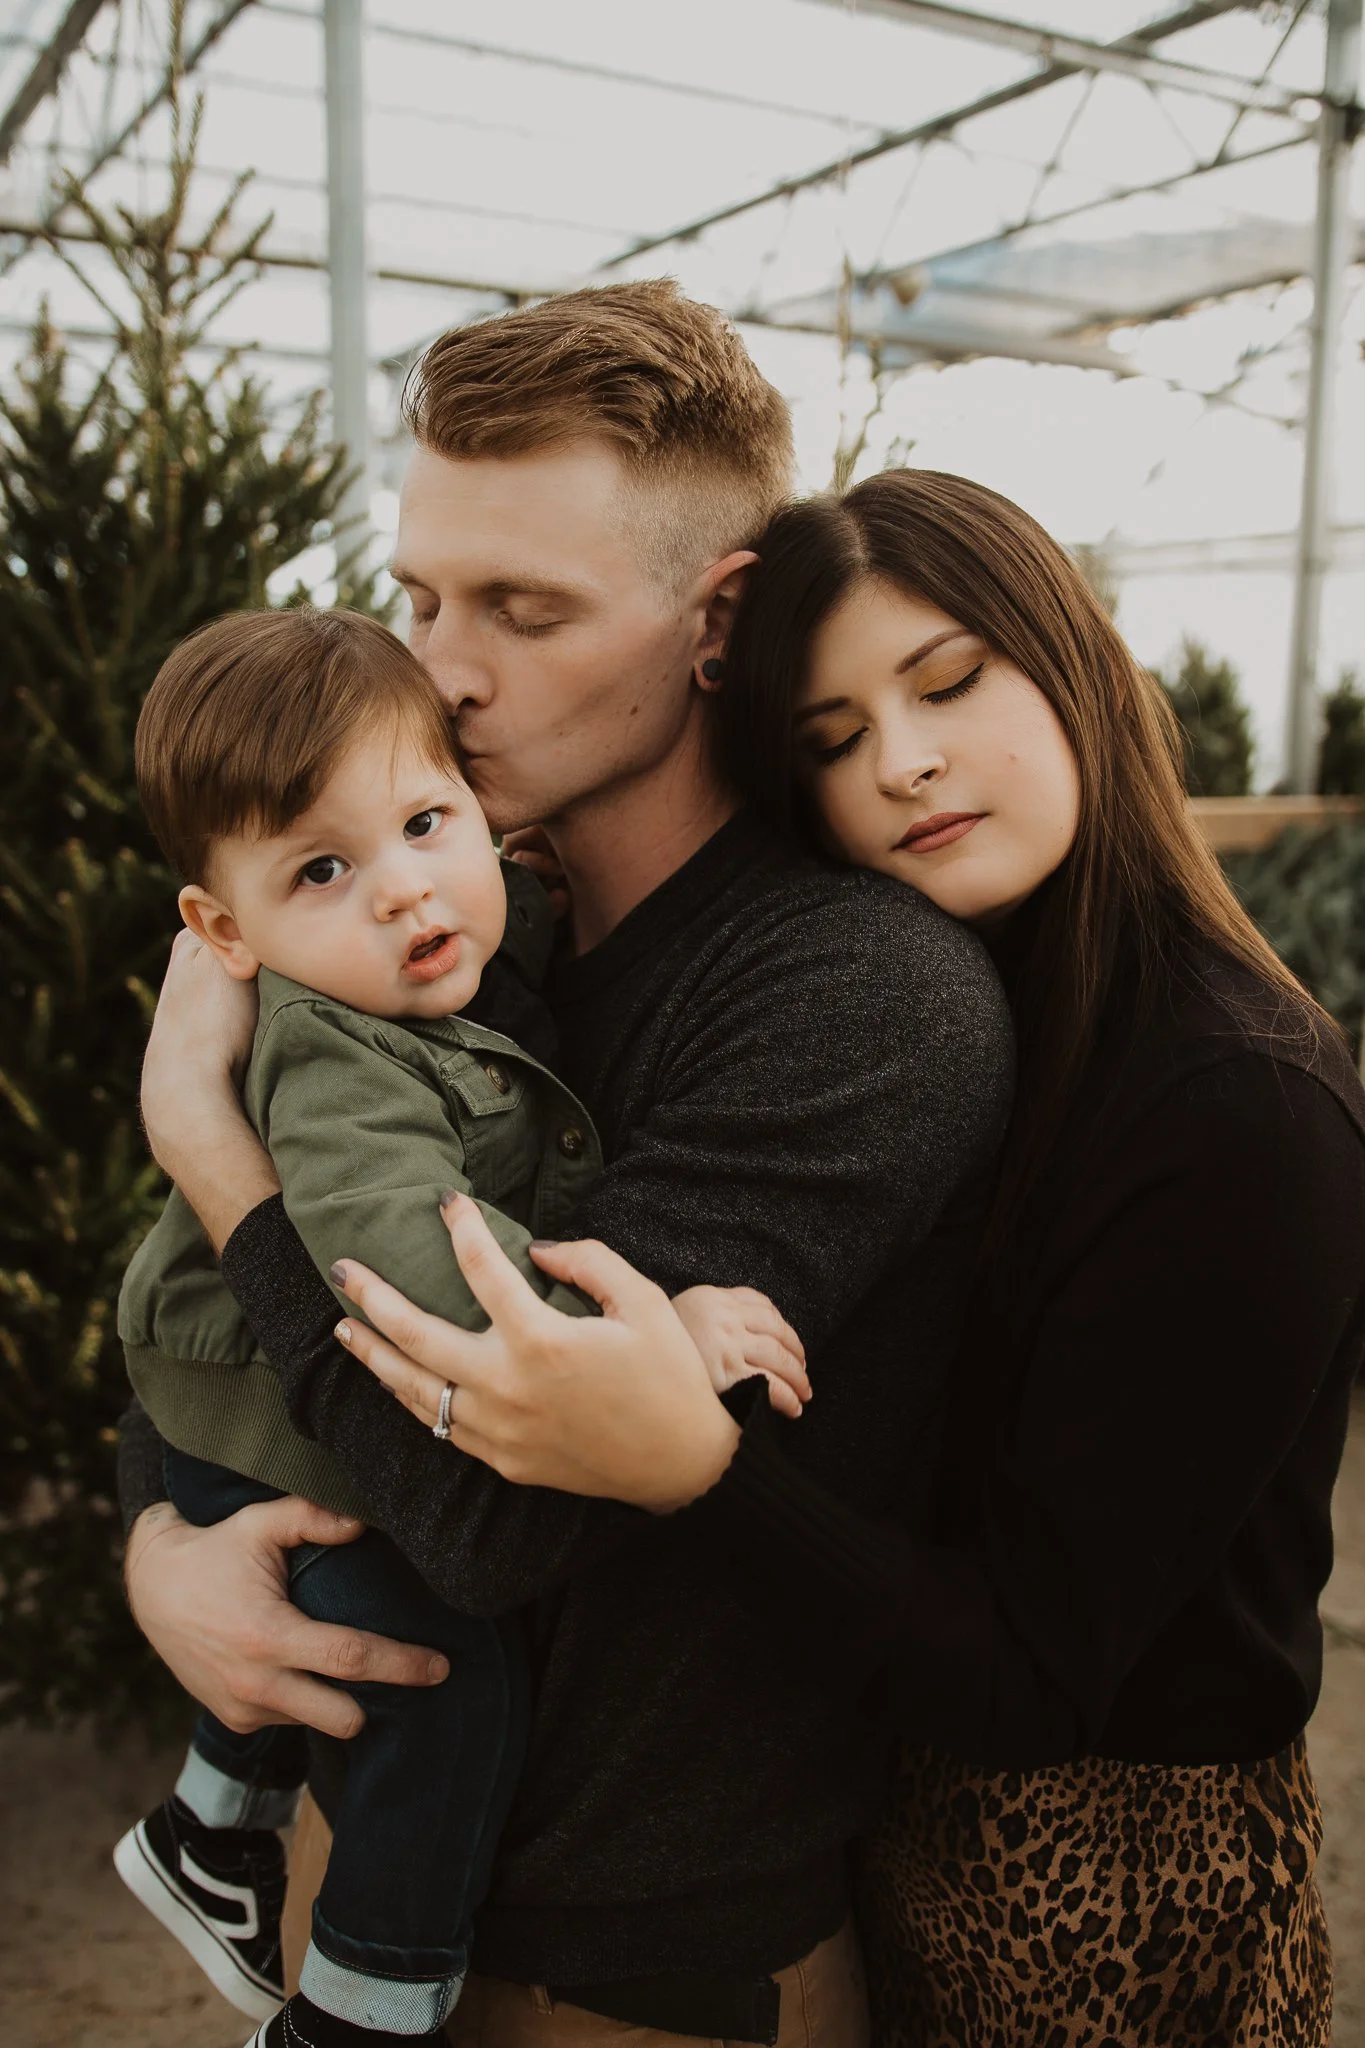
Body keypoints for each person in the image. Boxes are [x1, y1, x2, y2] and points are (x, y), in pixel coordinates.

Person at [342, 471, 1365, 2048]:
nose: (901, 763)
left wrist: (697, 1467)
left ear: (1077, 661)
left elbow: (1033, 1676)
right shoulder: (1011, 991)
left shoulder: (1238, 1105)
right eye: (831, 738)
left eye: (950, 683)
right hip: (899, 1843)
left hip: (1111, 1894)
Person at [118, 287, 1015, 2046]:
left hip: (642, 1978)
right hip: (375, 1873)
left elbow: (488, 1510)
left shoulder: (857, 996)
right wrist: (164, 1541)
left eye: (524, 611)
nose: (445, 670)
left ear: (718, 621)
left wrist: (217, 1157)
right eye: (422, 598)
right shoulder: (448, 933)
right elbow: (209, 1325)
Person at [115, 605, 805, 2048]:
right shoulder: (330, 1054)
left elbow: (488, 921)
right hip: (253, 1415)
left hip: (230, 1390)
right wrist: (644, 1340)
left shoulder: (457, 938)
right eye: (321, 870)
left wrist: (518, 889)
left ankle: (209, 1830)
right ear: (225, 934)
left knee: (335, 1626)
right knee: (440, 1682)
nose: (401, 892)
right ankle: (356, 2012)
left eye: (426, 823)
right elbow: (418, 1262)